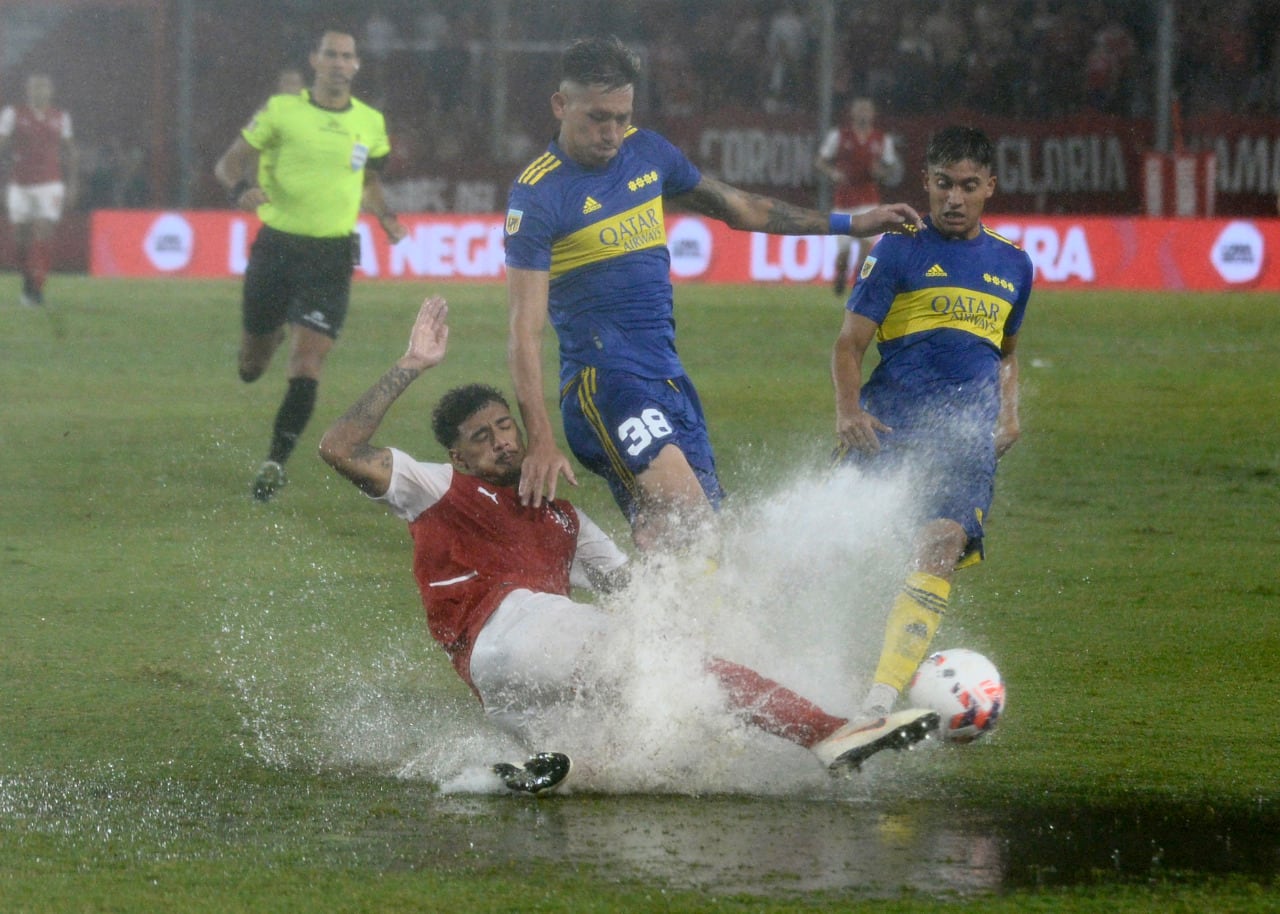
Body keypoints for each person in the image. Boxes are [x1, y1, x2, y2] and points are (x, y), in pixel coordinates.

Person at [318, 295, 937, 794]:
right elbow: (338, 448)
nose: (503, 442)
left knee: (620, 743)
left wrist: (659, 548)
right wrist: (412, 363)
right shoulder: (438, 486)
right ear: (458, 455)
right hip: (515, 633)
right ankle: (829, 734)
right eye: (482, 438)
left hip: (503, 692)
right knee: (674, 670)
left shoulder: (563, 519)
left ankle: (499, 777)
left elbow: (639, 594)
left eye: (507, 426)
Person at [505, 37, 921, 555]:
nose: (613, 132)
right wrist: (540, 439)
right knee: (695, 520)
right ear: (560, 105)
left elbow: (738, 206)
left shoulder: (647, 152)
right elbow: (525, 332)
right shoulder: (538, 195)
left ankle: (649, 637)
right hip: (605, 384)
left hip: (671, 384)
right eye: (598, 118)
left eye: (622, 116)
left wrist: (852, 223)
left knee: (679, 545)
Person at [830, 125, 1032, 758]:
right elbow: (848, 344)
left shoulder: (1015, 265)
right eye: (944, 184)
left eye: (969, 186)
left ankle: (877, 706)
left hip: (967, 442)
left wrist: (1010, 414)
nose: (954, 199)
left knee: (940, 545)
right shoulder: (897, 250)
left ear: (989, 188)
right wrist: (847, 410)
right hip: (889, 427)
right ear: (926, 183)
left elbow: (1006, 354)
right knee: (842, 557)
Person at [214, 29, 407, 502]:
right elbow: (229, 164)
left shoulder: (370, 121)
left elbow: (370, 181)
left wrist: (385, 217)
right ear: (315, 62)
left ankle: (274, 462)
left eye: (347, 56)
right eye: (331, 55)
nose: (339, 63)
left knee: (307, 361)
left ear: (356, 65)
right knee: (250, 366)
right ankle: (269, 334)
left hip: (331, 255)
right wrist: (242, 191)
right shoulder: (282, 110)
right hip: (277, 247)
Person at [0, 74, 78, 308]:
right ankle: (28, 283)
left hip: (50, 184)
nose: (38, 91)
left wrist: (72, 183)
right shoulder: (12, 114)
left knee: (43, 232)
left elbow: (71, 151)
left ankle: (37, 287)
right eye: (34, 87)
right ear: (27, 91)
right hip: (20, 184)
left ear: (51, 91)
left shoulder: (61, 118)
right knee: (21, 240)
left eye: (43, 87)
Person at [814, 96, 901, 297]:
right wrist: (833, 173)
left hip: (868, 202)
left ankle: (859, 287)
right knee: (843, 255)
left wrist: (881, 173)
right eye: (859, 109)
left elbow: (890, 168)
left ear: (873, 114)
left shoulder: (882, 139)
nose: (863, 113)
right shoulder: (839, 136)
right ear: (852, 113)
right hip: (843, 203)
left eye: (867, 109)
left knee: (865, 248)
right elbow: (820, 161)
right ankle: (841, 276)